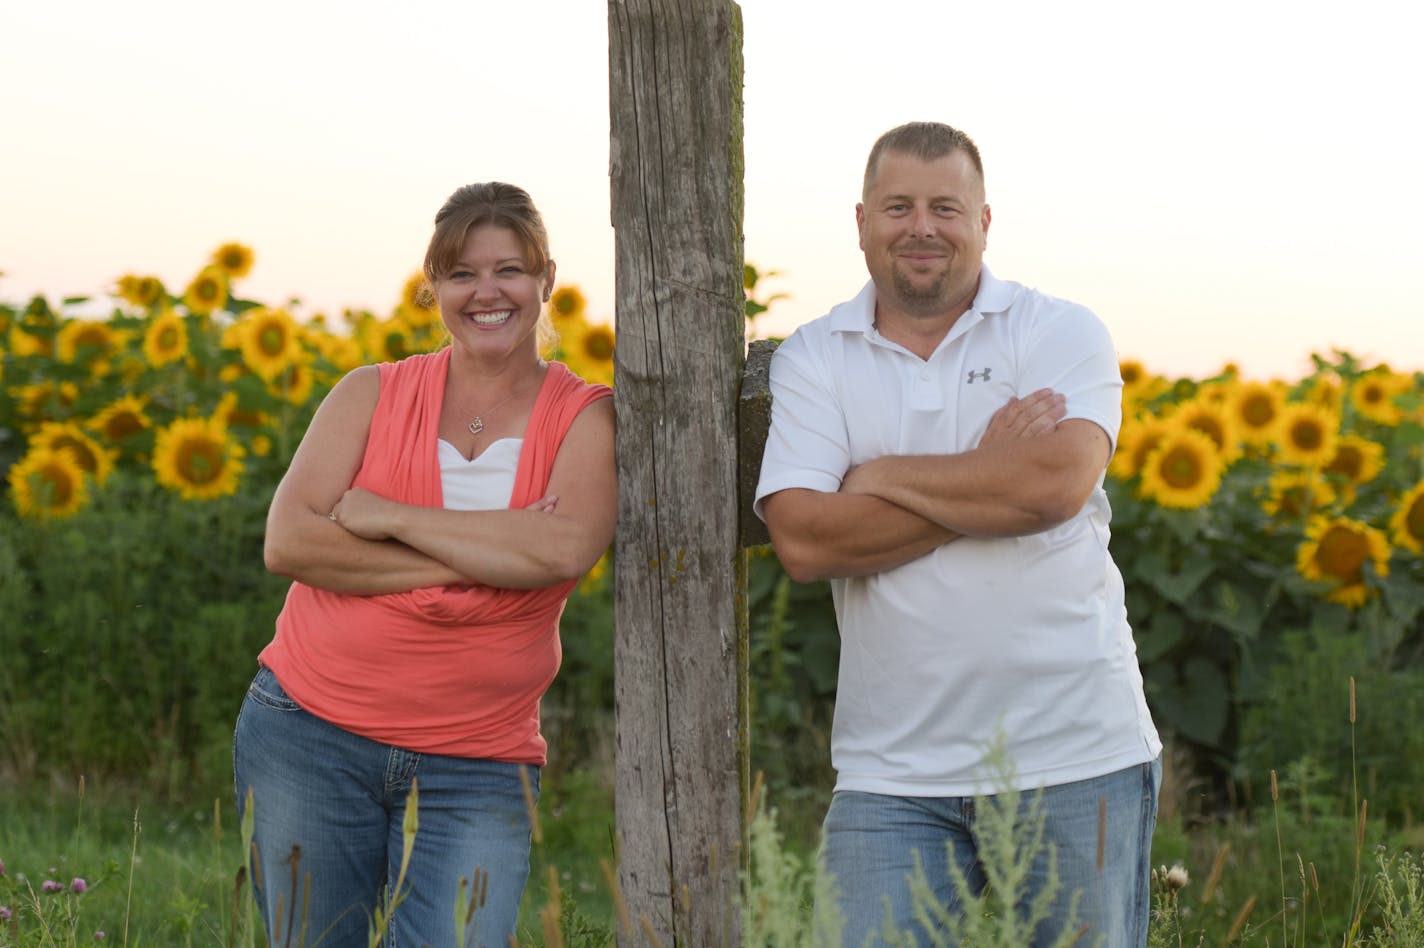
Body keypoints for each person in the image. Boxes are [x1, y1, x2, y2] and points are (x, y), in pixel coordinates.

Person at [754, 122, 1162, 946]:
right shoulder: (816, 357)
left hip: (1076, 755)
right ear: (862, 219)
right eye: (899, 206)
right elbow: (805, 540)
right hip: (890, 775)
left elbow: (1052, 486)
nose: (922, 227)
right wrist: (982, 469)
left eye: (946, 206)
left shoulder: (1057, 330)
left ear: (984, 221)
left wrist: (876, 477)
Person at [232, 182, 616, 947]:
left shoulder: (586, 414)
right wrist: (490, 552)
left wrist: (388, 518)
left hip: (477, 759)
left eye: (509, 269)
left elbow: (564, 548)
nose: (486, 292)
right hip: (310, 732)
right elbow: (291, 544)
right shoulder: (367, 394)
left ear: (547, 278)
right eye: (461, 273)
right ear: (432, 287)